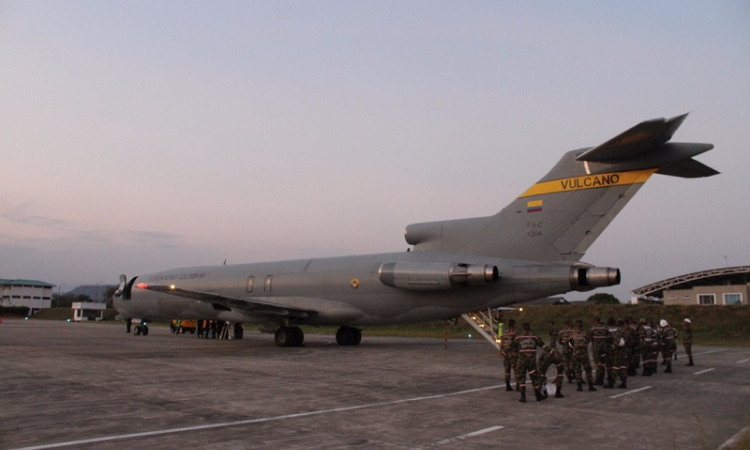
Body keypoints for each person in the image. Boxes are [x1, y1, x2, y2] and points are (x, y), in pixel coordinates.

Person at [513, 322, 550, 402]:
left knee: (522, 378)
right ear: (529, 328)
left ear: (522, 328)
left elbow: (513, 347)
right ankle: (538, 395)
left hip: (521, 361)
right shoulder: (534, 336)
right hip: (531, 362)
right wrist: (550, 351)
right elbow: (543, 345)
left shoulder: (518, 337)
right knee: (534, 378)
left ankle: (523, 397)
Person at [537, 321, 564, 398]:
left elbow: (539, 361)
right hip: (554, 355)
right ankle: (558, 391)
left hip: (547, 356)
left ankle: (540, 391)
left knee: (542, 375)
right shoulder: (556, 352)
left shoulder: (545, 351)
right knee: (560, 373)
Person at [570, 320, 597, 392]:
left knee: (577, 370)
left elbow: (570, 343)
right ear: (582, 326)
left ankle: (579, 386)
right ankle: (590, 386)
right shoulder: (585, 334)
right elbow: (588, 341)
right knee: (588, 369)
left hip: (575, 354)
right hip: (584, 354)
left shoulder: (572, 334)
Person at [590, 316, 610, 385]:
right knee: (603, 363)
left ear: (595, 320)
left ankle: (599, 378)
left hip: (596, 348)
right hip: (604, 348)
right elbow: (609, 336)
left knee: (598, 364)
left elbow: (589, 337)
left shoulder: (593, 327)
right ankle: (603, 376)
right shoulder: (605, 327)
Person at [500, 319, 518, 392]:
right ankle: (518, 385)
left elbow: (501, 344)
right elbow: (517, 343)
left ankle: (507, 385)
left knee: (507, 370)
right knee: (516, 370)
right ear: (514, 324)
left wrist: (501, 351)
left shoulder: (504, 333)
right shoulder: (515, 333)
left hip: (506, 354)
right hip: (513, 354)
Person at [612, 319, 631, 388]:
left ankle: (611, 382)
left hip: (619, 352)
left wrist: (614, 346)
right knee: (623, 367)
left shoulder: (619, 331)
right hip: (625, 352)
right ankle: (623, 382)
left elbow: (617, 342)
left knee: (616, 367)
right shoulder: (626, 331)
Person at [558, 319, 575, 384]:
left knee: (566, 364)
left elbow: (559, 340)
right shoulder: (574, 331)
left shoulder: (562, 331)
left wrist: (564, 344)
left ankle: (569, 376)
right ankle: (572, 372)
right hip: (573, 349)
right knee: (573, 363)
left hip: (565, 349)